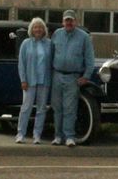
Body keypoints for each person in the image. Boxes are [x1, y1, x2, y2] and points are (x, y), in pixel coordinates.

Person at [50, 9, 95, 147]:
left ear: (75, 21)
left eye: (71, 20)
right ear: (63, 21)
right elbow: (51, 54)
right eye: (66, 20)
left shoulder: (84, 37)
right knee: (57, 107)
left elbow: (89, 58)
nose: (69, 22)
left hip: (73, 77)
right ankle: (58, 136)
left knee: (70, 108)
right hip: (57, 75)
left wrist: (86, 76)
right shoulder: (56, 34)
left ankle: (69, 136)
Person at [15, 17, 52, 145]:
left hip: (44, 81)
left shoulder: (49, 44)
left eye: (40, 27)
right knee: (26, 107)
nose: (38, 29)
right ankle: (20, 134)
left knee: (41, 109)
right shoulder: (26, 43)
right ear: (31, 29)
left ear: (44, 30)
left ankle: (37, 135)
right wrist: (23, 80)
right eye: (35, 27)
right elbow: (21, 64)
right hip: (30, 81)